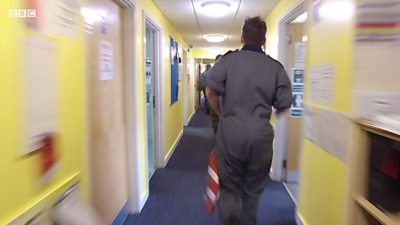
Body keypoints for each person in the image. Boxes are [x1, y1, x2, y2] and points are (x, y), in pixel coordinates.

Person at [205, 16, 293, 225]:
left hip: (231, 131)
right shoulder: (275, 68)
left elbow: (210, 92)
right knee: (252, 192)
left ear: (242, 38)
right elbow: (284, 106)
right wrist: (262, 119)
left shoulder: (227, 61)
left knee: (229, 188)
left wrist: (222, 113)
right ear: (264, 41)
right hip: (260, 134)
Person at [209, 54, 222, 133]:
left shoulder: (228, 72)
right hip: (215, 101)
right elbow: (209, 92)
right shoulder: (212, 73)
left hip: (226, 103)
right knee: (216, 121)